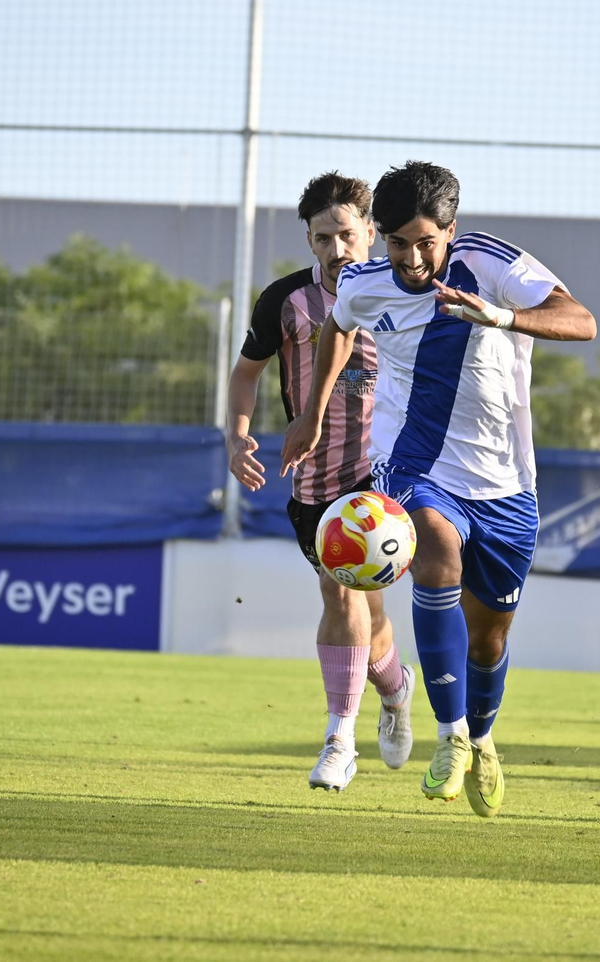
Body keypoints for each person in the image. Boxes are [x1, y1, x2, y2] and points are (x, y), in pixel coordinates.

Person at [281, 160, 596, 816]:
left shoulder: (492, 265)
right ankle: (449, 735)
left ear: (450, 232)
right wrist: (311, 415)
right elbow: (339, 325)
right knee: (434, 549)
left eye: (425, 242)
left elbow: (580, 320)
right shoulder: (368, 282)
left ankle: (481, 737)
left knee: (490, 639)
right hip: (414, 466)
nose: (412, 259)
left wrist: (502, 319)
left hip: (507, 483)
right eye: (397, 243)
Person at [227, 171, 414, 791]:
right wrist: (238, 435)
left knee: (346, 597)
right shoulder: (285, 300)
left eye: (346, 235)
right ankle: (394, 689)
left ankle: (340, 739)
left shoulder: (408, 292)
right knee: (360, 606)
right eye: (322, 238)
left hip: (387, 473)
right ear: (309, 241)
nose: (336, 250)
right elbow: (247, 373)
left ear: (370, 232)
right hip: (315, 479)